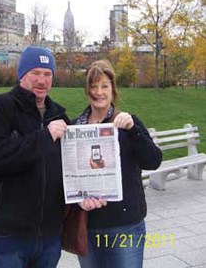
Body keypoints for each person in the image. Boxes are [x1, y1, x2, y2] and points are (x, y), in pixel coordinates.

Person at [0, 46, 71, 268]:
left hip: (49, 235)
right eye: (35, 73)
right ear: (21, 74)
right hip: (8, 234)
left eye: (47, 74)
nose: (42, 80)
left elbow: (72, 168)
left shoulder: (59, 116)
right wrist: (45, 137)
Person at [75, 60, 162, 268]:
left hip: (125, 225)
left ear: (113, 89)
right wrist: (77, 198)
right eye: (93, 86)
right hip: (89, 224)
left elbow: (153, 161)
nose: (99, 92)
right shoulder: (75, 127)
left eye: (104, 86)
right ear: (87, 91)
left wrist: (134, 131)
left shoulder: (127, 123)